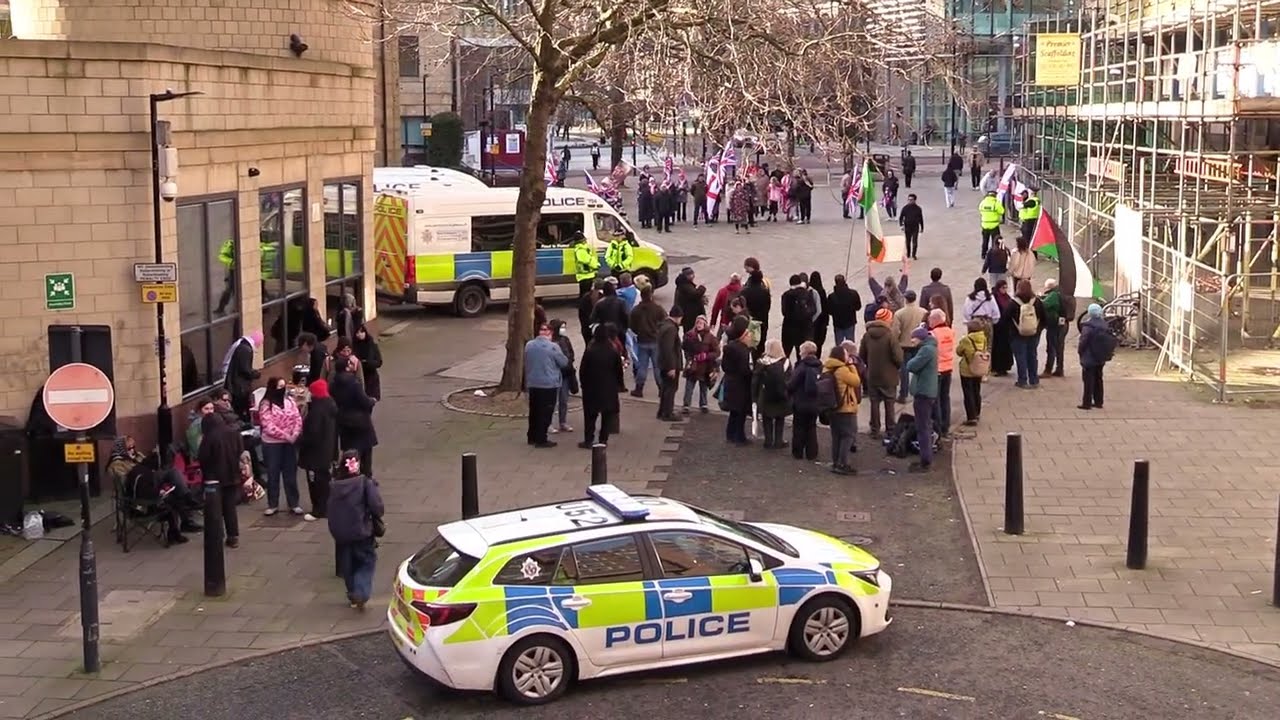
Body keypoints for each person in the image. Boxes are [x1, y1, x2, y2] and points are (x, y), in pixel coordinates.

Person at [106, 436, 200, 544]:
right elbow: (129, 479)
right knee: (172, 473)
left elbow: (148, 465)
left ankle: (182, 525)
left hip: (150, 482)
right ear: (121, 449)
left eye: (133, 447)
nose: (133, 450)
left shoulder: (136, 455)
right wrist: (138, 465)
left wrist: (153, 457)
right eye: (129, 448)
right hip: (137, 493)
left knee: (174, 492)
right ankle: (188, 501)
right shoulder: (116, 464)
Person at [327, 451, 384, 611]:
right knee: (366, 561)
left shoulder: (334, 485)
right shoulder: (364, 483)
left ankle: (352, 593)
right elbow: (377, 506)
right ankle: (360, 592)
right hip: (362, 531)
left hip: (342, 534)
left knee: (348, 565)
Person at [258, 377, 304, 516]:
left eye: (284, 386)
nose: (283, 389)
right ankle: (273, 504)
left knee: (290, 474)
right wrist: (285, 436)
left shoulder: (289, 401)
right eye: (280, 386)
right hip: (272, 445)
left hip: (289, 444)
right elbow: (268, 425)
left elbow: (297, 418)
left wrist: (295, 433)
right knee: (273, 474)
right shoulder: (265, 405)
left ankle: (294, 503)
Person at [198, 411, 244, 548]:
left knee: (214, 509)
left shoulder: (209, 437)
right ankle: (233, 536)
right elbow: (240, 452)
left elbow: (203, 458)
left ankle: (216, 536)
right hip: (232, 476)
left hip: (213, 479)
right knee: (230, 507)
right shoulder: (233, 433)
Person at [577, 324, 624, 448]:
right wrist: (619, 384)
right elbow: (618, 370)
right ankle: (603, 439)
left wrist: (583, 384)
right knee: (607, 416)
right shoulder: (612, 351)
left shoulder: (590, 350)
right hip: (609, 388)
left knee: (590, 417)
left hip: (591, 389)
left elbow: (583, 370)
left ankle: (588, 440)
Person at [298, 378, 338, 521]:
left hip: (314, 455)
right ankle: (327, 507)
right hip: (326, 452)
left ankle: (318, 510)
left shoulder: (316, 412)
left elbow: (311, 435)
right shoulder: (330, 407)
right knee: (325, 480)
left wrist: (299, 440)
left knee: (315, 483)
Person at [859, 307, 902, 438]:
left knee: (874, 402)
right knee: (889, 403)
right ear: (887, 320)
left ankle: (874, 429)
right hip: (888, 376)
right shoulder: (890, 336)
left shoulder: (867, 335)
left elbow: (862, 355)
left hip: (872, 375)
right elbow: (898, 358)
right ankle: (890, 429)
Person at [524, 323, 569, 447]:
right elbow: (563, 362)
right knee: (546, 412)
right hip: (548, 384)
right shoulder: (553, 347)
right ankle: (541, 439)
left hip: (533, 383)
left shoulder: (529, 345)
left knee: (534, 411)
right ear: (550, 333)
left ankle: (531, 436)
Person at [332, 354, 378, 473]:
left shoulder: (333, 385)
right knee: (366, 455)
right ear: (347, 367)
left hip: (344, 423)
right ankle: (366, 480)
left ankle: (351, 476)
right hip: (360, 423)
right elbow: (364, 401)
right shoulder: (354, 383)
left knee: (350, 454)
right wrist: (372, 401)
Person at [823, 346, 861, 475]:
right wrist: (852, 366)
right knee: (848, 436)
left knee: (836, 437)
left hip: (833, 408)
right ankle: (843, 463)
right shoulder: (843, 370)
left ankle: (835, 462)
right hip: (845, 408)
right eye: (845, 354)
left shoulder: (827, 368)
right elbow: (856, 381)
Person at [905, 326, 938, 473]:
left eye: (914, 338)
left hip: (923, 393)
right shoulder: (930, 347)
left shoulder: (926, 350)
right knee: (925, 425)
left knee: (922, 427)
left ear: (920, 338)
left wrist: (912, 358)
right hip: (928, 391)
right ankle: (927, 456)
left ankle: (925, 460)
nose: (912, 340)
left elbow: (911, 365)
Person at [1004, 279, 1048, 388]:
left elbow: (1005, 318)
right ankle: (1034, 380)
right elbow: (1044, 318)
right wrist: (1038, 329)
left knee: (1020, 357)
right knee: (1032, 356)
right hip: (1033, 334)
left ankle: (1022, 380)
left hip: (1017, 334)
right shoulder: (1037, 302)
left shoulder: (1013, 303)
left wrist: (1011, 330)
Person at [720, 317, 754, 445]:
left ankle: (730, 434)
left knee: (734, 411)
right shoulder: (743, 350)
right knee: (741, 412)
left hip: (730, 381)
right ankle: (739, 437)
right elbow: (745, 370)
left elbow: (724, 366)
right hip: (741, 385)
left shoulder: (729, 347)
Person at [891, 290, 928, 403]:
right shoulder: (923, 312)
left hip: (904, 344)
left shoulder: (899, 313)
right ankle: (920, 391)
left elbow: (896, 331)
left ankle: (903, 394)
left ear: (905, 299)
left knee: (904, 370)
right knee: (920, 368)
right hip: (919, 343)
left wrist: (895, 342)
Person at [629, 285, 666, 397]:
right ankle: (661, 389)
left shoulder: (636, 310)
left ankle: (639, 389)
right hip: (655, 340)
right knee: (657, 366)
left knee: (642, 366)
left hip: (642, 340)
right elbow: (665, 322)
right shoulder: (658, 309)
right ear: (651, 295)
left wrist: (639, 332)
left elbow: (631, 325)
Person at [753, 340, 791, 449]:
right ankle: (778, 441)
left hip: (766, 395)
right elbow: (789, 380)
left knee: (767, 418)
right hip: (781, 395)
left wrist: (755, 396)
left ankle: (768, 440)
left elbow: (755, 381)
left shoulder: (761, 362)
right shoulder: (786, 362)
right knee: (780, 418)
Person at [222, 330, 262, 422]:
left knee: (240, 408)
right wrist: (255, 374)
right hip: (239, 387)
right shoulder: (246, 350)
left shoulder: (242, 346)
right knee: (241, 408)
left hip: (237, 385)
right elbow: (245, 369)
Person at [928, 309, 956, 439]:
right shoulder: (950, 332)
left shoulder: (933, 334)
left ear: (936, 320)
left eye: (930, 319)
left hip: (937, 369)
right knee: (945, 398)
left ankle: (938, 426)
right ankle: (946, 425)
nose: (929, 321)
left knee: (936, 399)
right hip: (948, 367)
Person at [682, 315, 719, 414]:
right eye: (697, 323)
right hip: (693, 365)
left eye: (701, 323)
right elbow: (685, 348)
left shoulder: (711, 337)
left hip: (705, 366)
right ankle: (686, 405)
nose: (699, 325)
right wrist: (689, 358)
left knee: (703, 386)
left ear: (705, 324)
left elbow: (716, 352)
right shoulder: (690, 335)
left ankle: (703, 404)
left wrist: (706, 356)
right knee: (689, 386)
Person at [956, 319, 989, 426]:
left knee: (968, 393)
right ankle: (977, 412)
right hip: (978, 368)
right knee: (976, 390)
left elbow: (959, 351)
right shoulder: (983, 338)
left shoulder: (966, 340)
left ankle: (971, 417)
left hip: (967, 370)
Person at [1077, 303, 1110, 410]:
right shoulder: (1105, 325)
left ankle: (1086, 402)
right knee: (1098, 378)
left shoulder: (1088, 327)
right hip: (1100, 356)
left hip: (1089, 356)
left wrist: (1080, 352)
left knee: (1088, 379)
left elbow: (1083, 342)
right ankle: (1099, 401)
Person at [548, 319, 577, 435]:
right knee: (553, 401)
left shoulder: (565, 340)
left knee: (564, 400)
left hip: (565, 374)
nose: (563, 330)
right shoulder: (551, 342)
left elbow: (571, 353)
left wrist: (569, 362)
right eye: (561, 327)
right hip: (555, 374)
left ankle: (563, 422)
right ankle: (549, 423)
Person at [656, 305, 684, 421]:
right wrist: (672, 367)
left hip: (663, 363)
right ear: (678, 317)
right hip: (669, 364)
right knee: (670, 388)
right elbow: (669, 349)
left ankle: (662, 411)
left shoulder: (664, 326)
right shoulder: (671, 329)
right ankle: (667, 412)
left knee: (665, 388)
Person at [781, 274, 816, 361]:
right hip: (804, 329)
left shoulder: (786, 295)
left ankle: (786, 370)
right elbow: (813, 310)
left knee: (786, 353)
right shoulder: (807, 294)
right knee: (801, 354)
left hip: (789, 328)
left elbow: (784, 312)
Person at [740, 270, 772, 358]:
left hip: (748, 322)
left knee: (746, 344)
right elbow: (768, 307)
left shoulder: (744, 292)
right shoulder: (765, 292)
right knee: (760, 346)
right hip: (762, 321)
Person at [827, 274, 862, 346]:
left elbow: (829, 311)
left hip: (838, 324)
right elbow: (858, 307)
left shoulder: (831, 296)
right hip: (850, 323)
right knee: (851, 345)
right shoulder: (853, 293)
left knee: (839, 346)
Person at [1041, 278, 1066, 377]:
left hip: (1054, 325)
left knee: (1051, 347)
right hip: (1062, 324)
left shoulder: (1053, 295)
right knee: (1059, 347)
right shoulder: (1059, 293)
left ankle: (1048, 370)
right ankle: (1059, 369)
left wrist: (1039, 299)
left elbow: (1044, 304)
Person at [990, 279, 1015, 377]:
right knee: (997, 347)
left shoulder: (1007, 297)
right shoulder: (994, 298)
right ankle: (997, 367)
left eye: (1006, 287)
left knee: (1005, 347)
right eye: (1003, 288)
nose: (1005, 289)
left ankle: (1004, 367)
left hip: (1006, 327)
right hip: (997, 327)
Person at [352, 324, 383, 401]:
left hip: (371, 377)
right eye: (357, 333)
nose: (360, 334)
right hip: (359, 377)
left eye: (362, 332)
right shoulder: (353, 346)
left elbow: (379, 361)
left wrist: (369, 363)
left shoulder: (372, 345)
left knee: (371, 400)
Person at [673, 268, 707, 333]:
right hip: (689, 316)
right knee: (691, 332)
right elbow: (695, 294)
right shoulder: (685, 286)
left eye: (692, 274)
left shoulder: (683, 284)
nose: (692, 276)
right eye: (690, 275)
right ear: (686, 276)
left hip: (689, 314)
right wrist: (702, 288)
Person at [978, 190, 1005, 259]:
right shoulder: (996, 203)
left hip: (985, 225)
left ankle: (983, 254)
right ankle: (994, 255)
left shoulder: (983, 202)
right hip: (994, 225)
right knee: (995, 241)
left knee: (985, 241)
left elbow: (980, 210)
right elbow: (1002, 211)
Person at [809, 272, 830, 355]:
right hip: (821, 323)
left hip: (812, 322)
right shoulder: (822, 292)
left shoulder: (809, 292)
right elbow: (825, 307)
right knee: (819, 343)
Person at [899, 194, 924, 260]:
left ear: (915, 200)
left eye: (911, 200)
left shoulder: (918, 209)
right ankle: (908, 253)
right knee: (908, 241)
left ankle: (914, 255)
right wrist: (901, 225)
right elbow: (901, 217)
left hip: (915, 227)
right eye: (909, 200)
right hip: (907, 227)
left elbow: (921, 218)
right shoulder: (905, 208)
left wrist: (922, 227)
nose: (910, 201)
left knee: (915, 242)